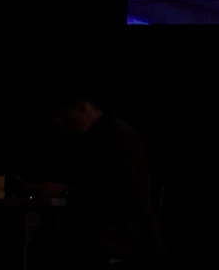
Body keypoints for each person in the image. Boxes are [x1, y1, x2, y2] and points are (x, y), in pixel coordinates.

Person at [23, 84, 165, 267]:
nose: (64, 130)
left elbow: (117, 197)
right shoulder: (93, 140)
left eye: (65, 121)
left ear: (82, 107)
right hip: (110, 236)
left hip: (125, 239)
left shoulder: (119, 137)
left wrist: (64, 192)